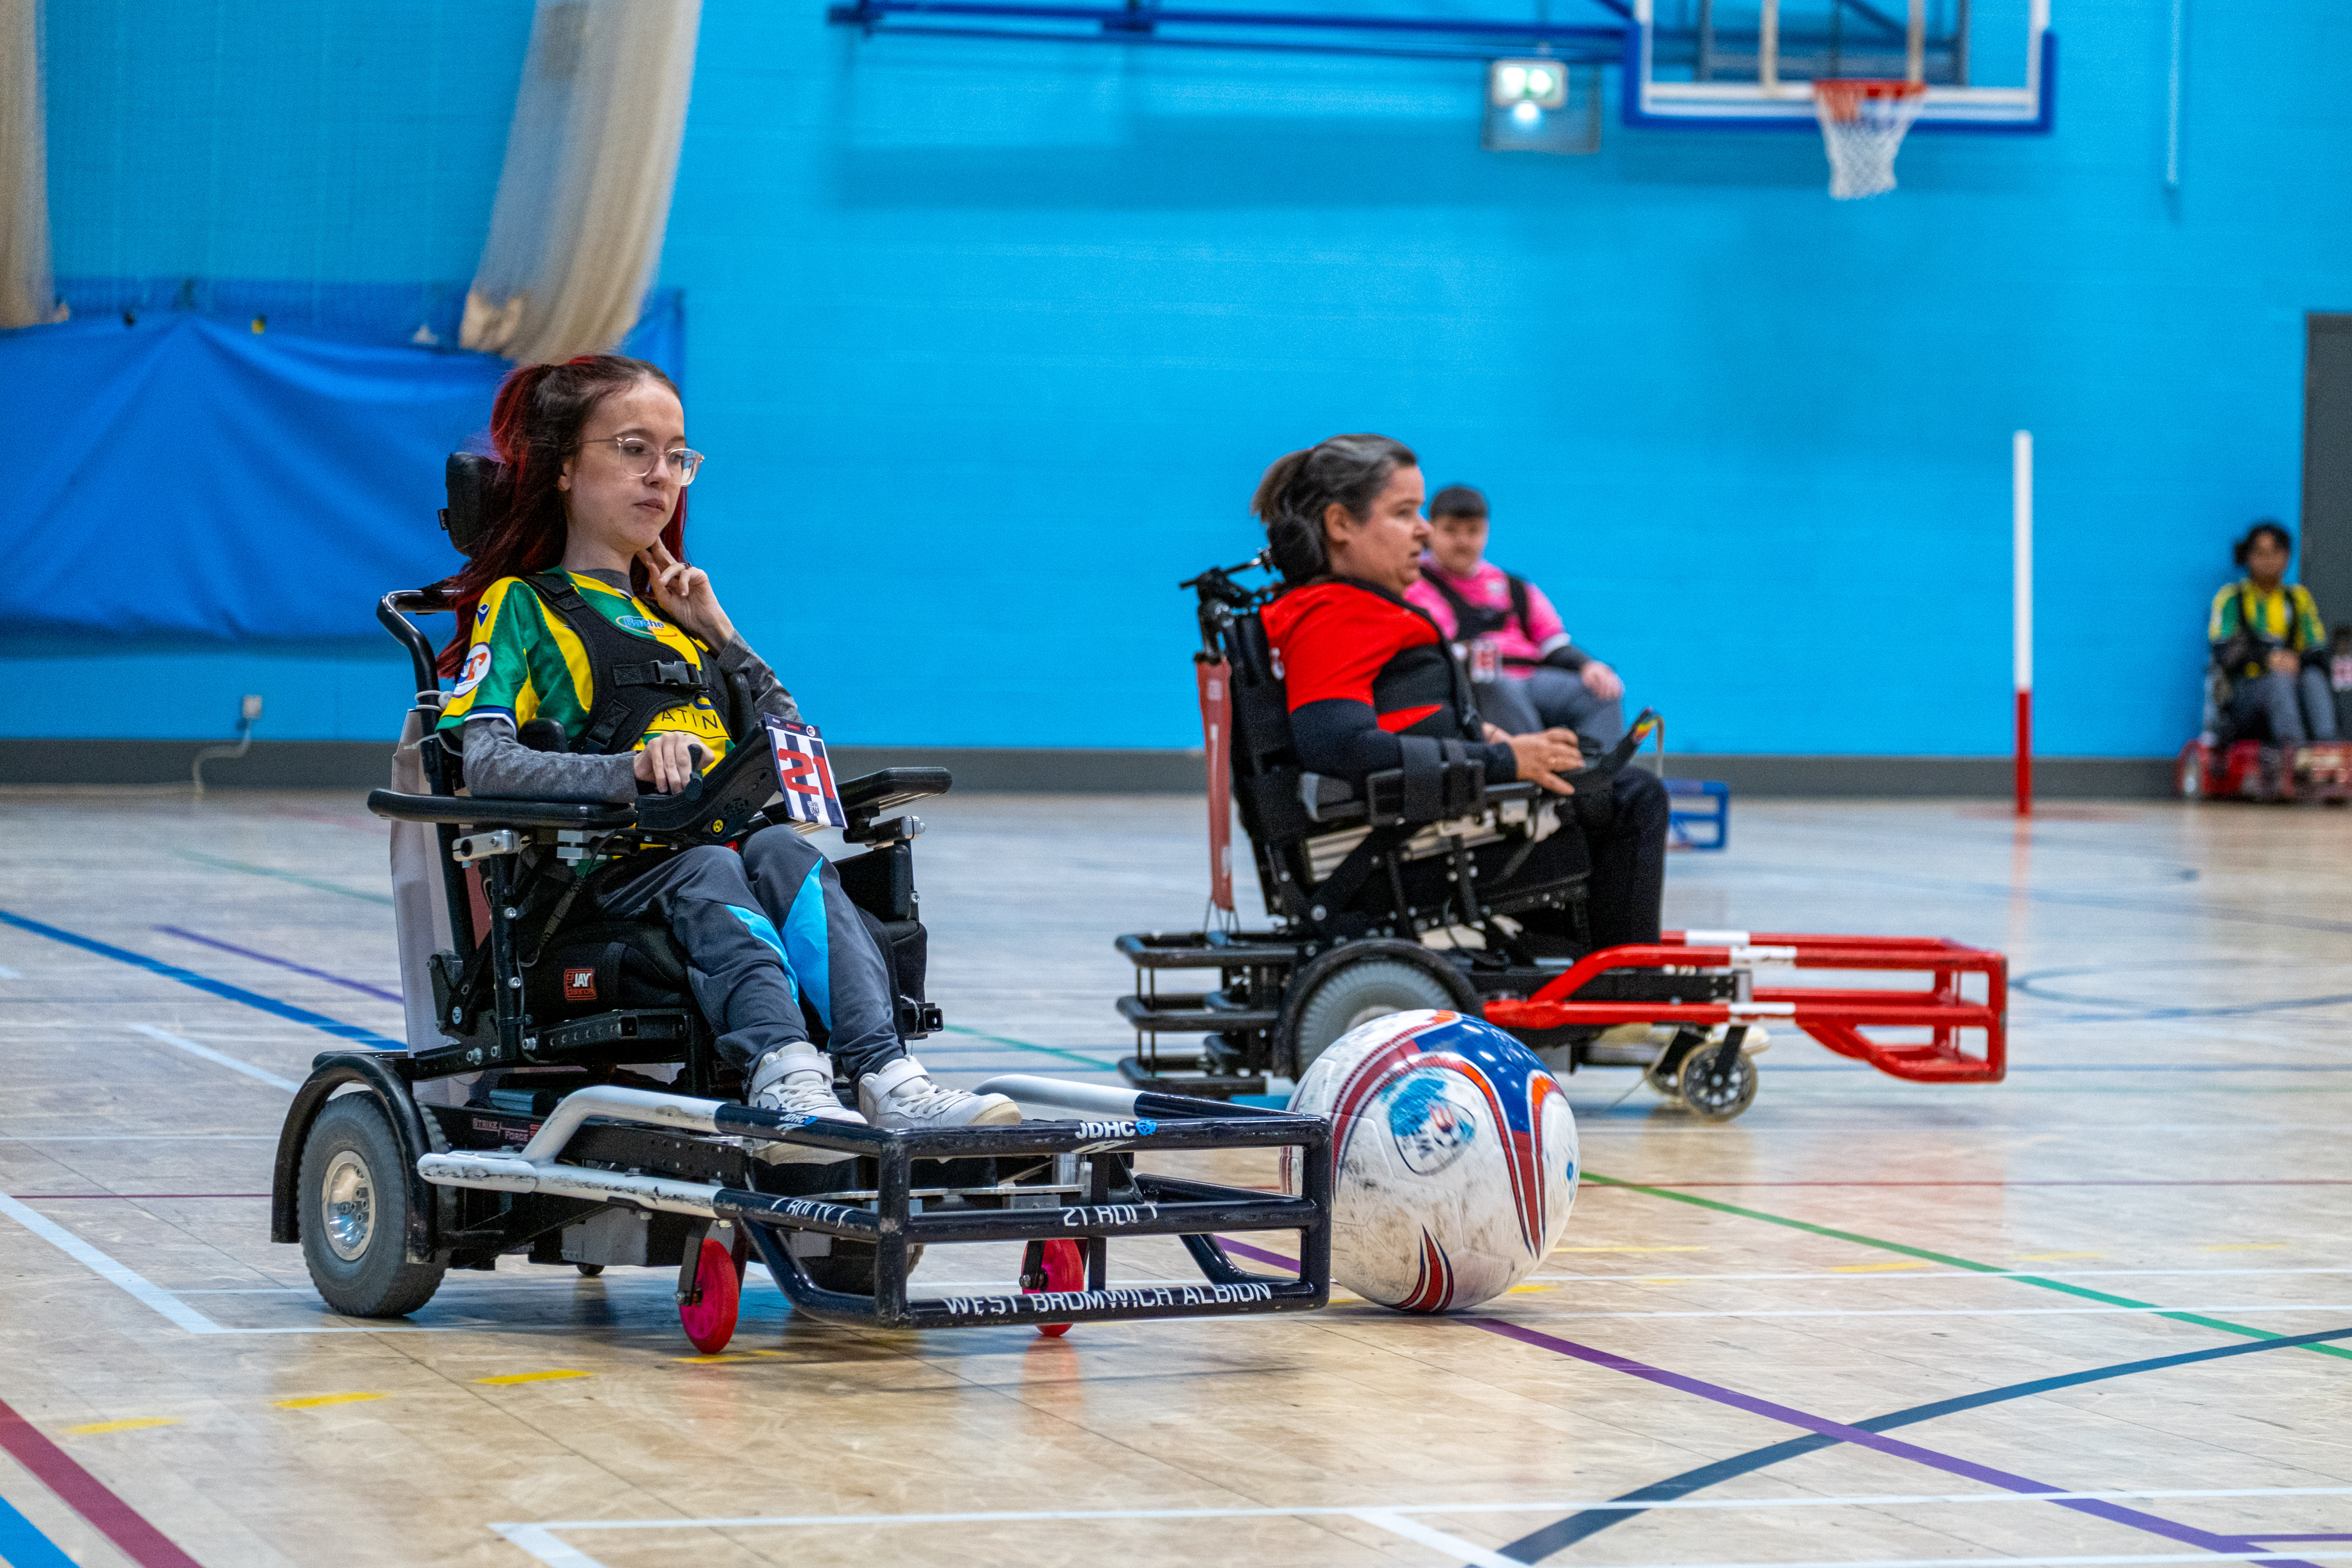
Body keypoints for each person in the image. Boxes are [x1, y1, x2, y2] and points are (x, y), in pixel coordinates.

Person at [434, 354, 1016, 1153]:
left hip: (723, 851)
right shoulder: (524, 607)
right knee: (716, 867)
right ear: (566, 468)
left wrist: (721, 631)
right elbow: (486, 763)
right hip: (601, 880)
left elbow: (791, 742)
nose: (661, 476)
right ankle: (784, 1080)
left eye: (676, 457)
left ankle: (888, 1078)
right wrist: (627, 769)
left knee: (781, 848)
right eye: (634, 449)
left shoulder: (680, 620)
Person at [1251, 433, 1667, 953]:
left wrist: (1484, 737)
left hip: (1410, 823)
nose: (1424, 531)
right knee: (1633, 798)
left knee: (1595, 781)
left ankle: (1568, 967)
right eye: (1405, 513)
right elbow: (1338, 746)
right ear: (1340, 525)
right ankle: (1625, 1000)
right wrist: (1500, 760)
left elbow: (1389, 715)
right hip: (1389, 850)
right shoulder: (1335, 614)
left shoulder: (1341, 607)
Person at [1404, 484, 1626, 746]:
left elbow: (1553, 642)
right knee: (1492, 682)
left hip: (1532, 678)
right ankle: (1536, 769)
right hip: (1477, 686)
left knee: (1602, 691)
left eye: (1473, 531)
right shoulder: (1413, 583)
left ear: (1486, 532)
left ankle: (1596, 776)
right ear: (1431, 532)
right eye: (1451, 531)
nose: (1463, 542)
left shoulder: (1514, 587)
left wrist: (1588, 665)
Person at [2208, 521, 2337, 747]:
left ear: (2286, 557)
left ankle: (2328, 749)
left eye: (2275, 552)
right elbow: (2222, 651)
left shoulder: (2298, 599)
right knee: (2279, 681)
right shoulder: (2231, 598)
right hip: (2245, 693)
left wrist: (2296, 660)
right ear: (2248, 556)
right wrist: (2268, 658)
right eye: (2260, 552)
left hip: (2294, 686)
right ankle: (2294, 753)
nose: (2267, 559)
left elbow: (2317, 649)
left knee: (2314, 679)